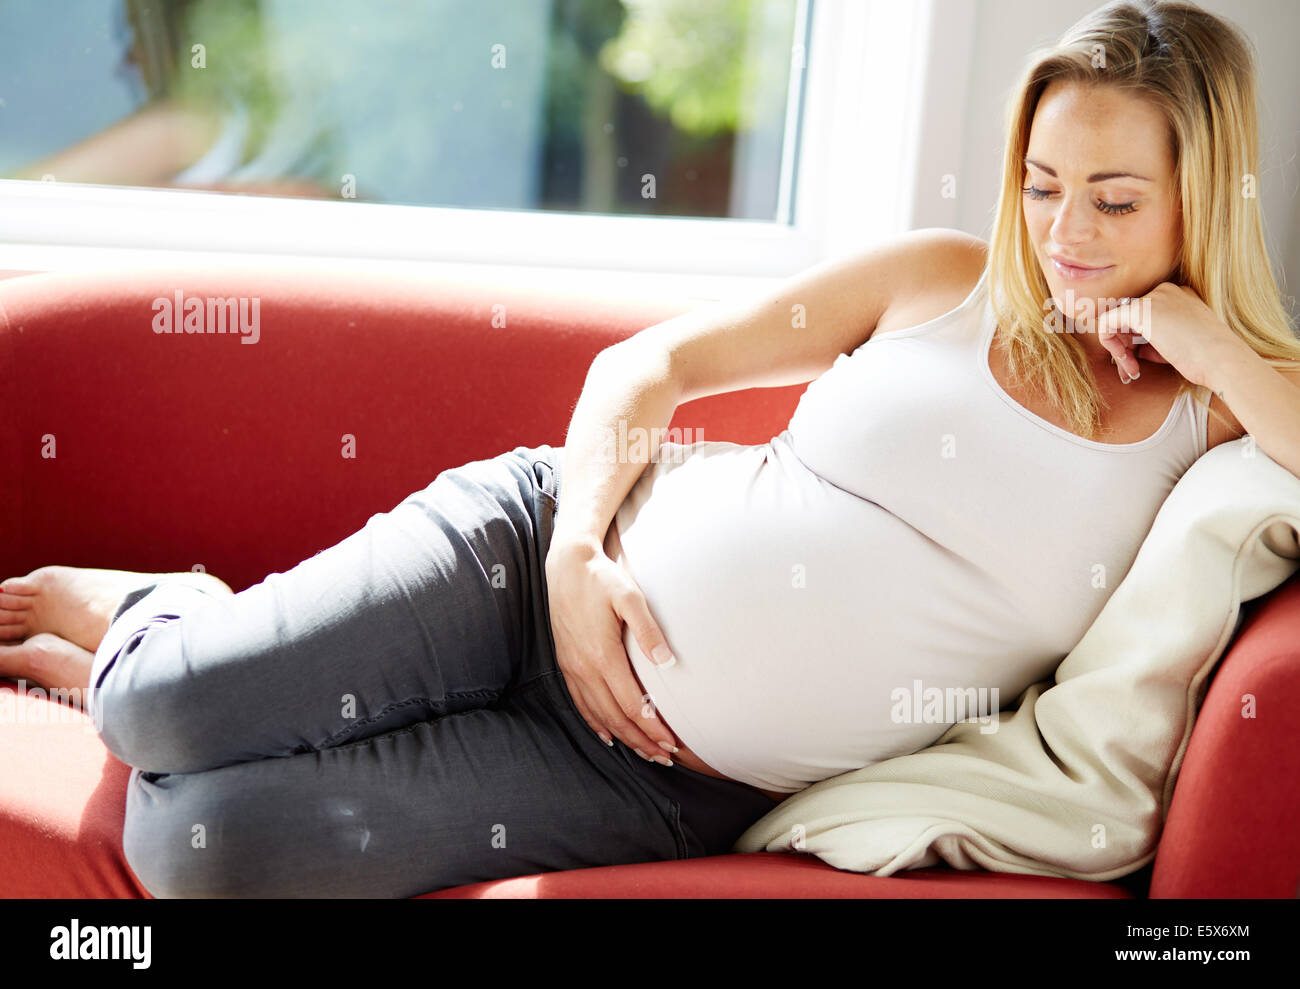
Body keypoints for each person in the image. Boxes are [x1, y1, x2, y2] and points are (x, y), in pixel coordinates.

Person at [4, 0, 1300, 897]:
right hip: (530, 566)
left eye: (1116, 199)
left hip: (654, 774)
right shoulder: (943, 279)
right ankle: (158, 620)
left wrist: (1215, 344)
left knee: (203, 854)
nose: (1066, 231)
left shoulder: (1217, 414)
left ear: (1209, 193)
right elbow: (651, 366)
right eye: (1042, 183)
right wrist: (575, 555)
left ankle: (203, 633)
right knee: (151, 705)